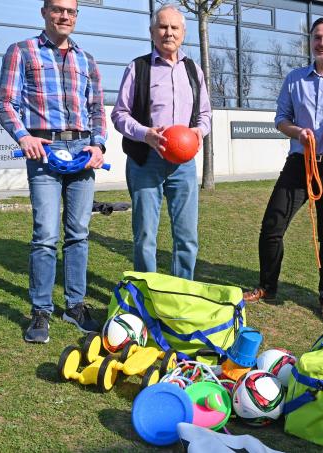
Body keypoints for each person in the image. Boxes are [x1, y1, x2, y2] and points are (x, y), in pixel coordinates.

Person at [242, 17, 323, 324]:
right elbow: (281, 119)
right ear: (310, 42)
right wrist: (297, 132)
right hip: (300, 164)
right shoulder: (295, 79)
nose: (322, 43)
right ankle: (266, 287)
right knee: (272, 226)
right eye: (317, 38)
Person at [0, 0, 107, 343]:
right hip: (43, 151)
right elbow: (5, 103)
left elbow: (97, 108)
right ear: (44, 12)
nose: (64, 16)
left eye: (71, 11)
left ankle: (75, 306)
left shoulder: (87, 60)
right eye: (58, 9)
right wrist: (24, 136)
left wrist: (99, 145)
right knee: (45, 234)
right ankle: (40, 311)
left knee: (79, 233)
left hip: (82, 152)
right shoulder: (22, 52)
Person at [111, 4, 212, 280]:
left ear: (183, 32)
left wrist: (197, 133)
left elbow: (205, 115)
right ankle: (147, 293)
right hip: (146, 161)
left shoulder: (194, 71)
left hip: (184, 163)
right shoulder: (138, 68)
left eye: (174, 27)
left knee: (187, 236)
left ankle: (181, 293)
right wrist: (146, 134)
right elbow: (119, 114)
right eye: (163, 27)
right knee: (145, 235)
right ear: (152, 32)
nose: (169, 32)